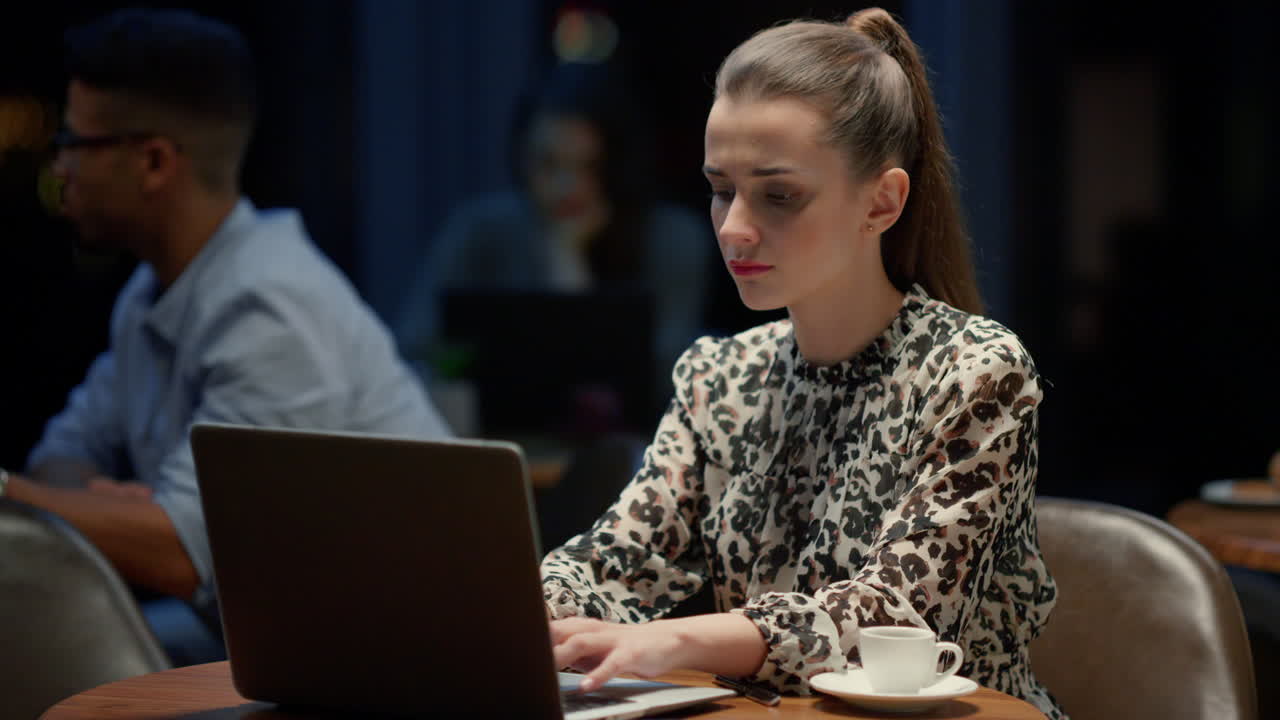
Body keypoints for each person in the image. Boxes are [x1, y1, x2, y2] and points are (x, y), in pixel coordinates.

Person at [540, 8, 1066, 719]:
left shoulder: (974, 372)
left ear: (882, 202)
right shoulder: (719, 377)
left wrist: (676, 641)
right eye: (721, 188)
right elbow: (615, 564)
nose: (733, 226)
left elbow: (891, 620)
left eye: (778, 195)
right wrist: (527, 610)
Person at [0, 8, 450, 664]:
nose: (60, 164)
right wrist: (98, 502)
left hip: (400, 657)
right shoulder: (152, 294)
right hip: (279, 643)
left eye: (74, 141)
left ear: (154, 162)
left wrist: (8, 493)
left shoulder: (268, 303)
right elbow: (61, 456)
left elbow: (185, 552)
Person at [393, 61, 712, 421]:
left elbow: (667, 378)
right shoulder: (480, 231)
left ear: (618, 164)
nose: (566, 186)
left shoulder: (673, 238)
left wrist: (568, 263)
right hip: (500, 440)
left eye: (588, 166)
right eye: (547, 163)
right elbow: (416, 347)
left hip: (639, 452)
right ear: (521, 157)